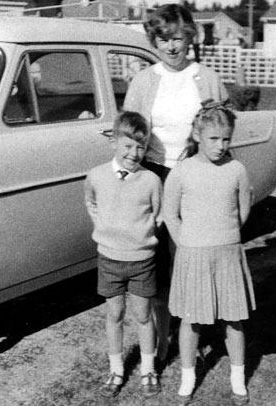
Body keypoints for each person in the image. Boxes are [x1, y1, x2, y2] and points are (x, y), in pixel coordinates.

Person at [123, 3, 230, 366]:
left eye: (178, 38)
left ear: (190, 38)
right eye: (163, 39)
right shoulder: (143, 81)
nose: (171, 47)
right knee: (155, 260)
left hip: (193, 176)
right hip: (153, 174)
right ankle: (163, 336)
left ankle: (192, 334)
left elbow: (222, 130)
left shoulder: (207, 77)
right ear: (154, 40)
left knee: (191, 256)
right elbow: (130, 135)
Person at [163, 102, 255, 406]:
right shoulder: (181, 171)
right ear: (197, 135)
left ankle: (238, 379)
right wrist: (186, 243)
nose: (220, 146)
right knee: (191, 321)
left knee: (234, 320)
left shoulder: (236, 169)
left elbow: (242, 210)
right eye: (213, 139)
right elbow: (170, 214)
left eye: (226, 139)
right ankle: (188, 378)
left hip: (227, 254)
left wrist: (224, 236)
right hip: (193, 256)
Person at [83, 111, 162, 398]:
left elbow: (158, 213)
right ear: (114, 142)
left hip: (142, 260)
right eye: (128, 146)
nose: (134, 153)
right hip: (109, 259)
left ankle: (148, 369)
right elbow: (91, 202)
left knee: (143, 315)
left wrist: (141, 235)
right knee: (114, 314)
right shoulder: (96, 176)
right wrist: (103, 227)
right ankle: (116, 370)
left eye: (141, 147)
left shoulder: (151, 180)